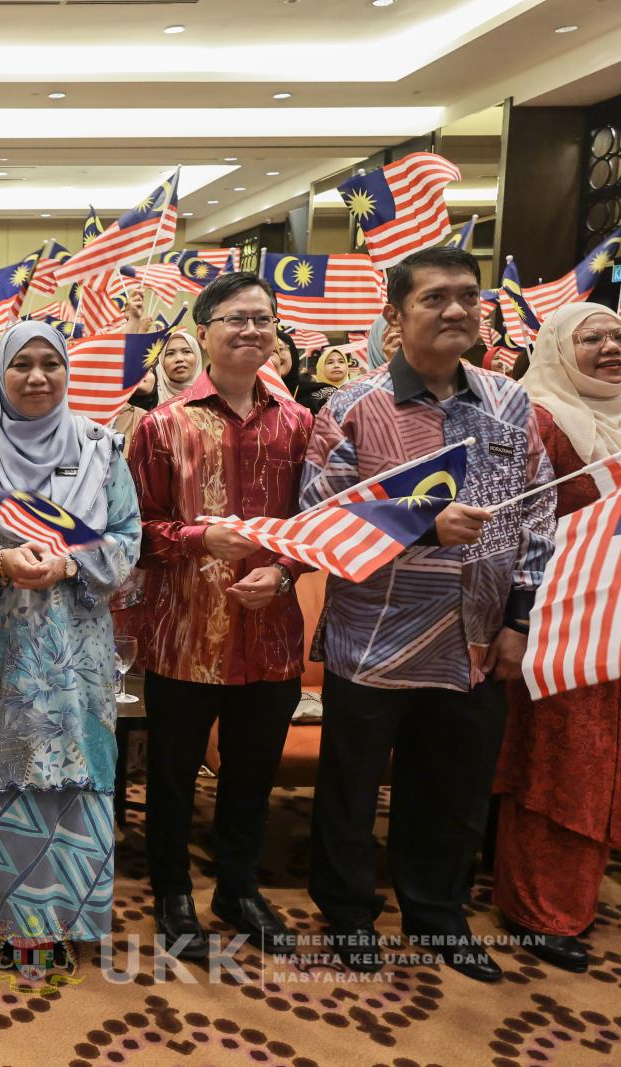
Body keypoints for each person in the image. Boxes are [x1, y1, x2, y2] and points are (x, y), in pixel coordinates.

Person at [302, 247, 554, 983]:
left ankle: (437, 914)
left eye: (468, 297)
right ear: (395, 315)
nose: (455, 310)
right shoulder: (352, 406)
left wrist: (518, 621)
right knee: (352, 790)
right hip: (372, 639)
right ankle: (349, 913)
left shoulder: (509, 403)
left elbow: (536, 517)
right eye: (434, 297)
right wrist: (420, 524)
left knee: (452, 790)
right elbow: (320, 516)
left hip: (476, 639)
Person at [0, 321, 141, 962]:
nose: (38, 376)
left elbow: (128, 537)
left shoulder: (102, 447)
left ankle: (67, 915)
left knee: (74, 770)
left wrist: (72, 564)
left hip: (76, 652)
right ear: (0, 374)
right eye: (22, 364)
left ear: (68, 371)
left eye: (51, 362)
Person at [126, 273, 313, 961]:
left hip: (272, 633)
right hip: (184, 634)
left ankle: (238, 887)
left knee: (251, 776)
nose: (252, 330)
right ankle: (172, 894)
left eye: (263, 318)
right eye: (236, 318)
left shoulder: (300, 424)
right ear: (203, 332)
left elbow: (319, 523)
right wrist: (199, 537)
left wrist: (285, 570)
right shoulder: (162, 425)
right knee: (172, 778)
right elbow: (134, 530)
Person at [493, 301, 621, 973]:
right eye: (591, 337)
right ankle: (541, 907)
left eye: (618, 335)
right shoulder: (538, 418)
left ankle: (583, 889)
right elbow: (512, 520)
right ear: (557, 350)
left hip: (617, 617)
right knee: (562, 760)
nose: (610, 346)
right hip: (560, 619)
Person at [295, 346, 354, 414]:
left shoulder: (357, 390)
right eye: (330, 362)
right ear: (321, 367)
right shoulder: (310, 394)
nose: (336, 365)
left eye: (341, 361)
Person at [154, 330, 201, 399]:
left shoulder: (213, 397)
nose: (179, 359)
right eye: (170, 353)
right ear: (161, 361)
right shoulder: (148, 400)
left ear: (197, 357)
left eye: (186, 351)